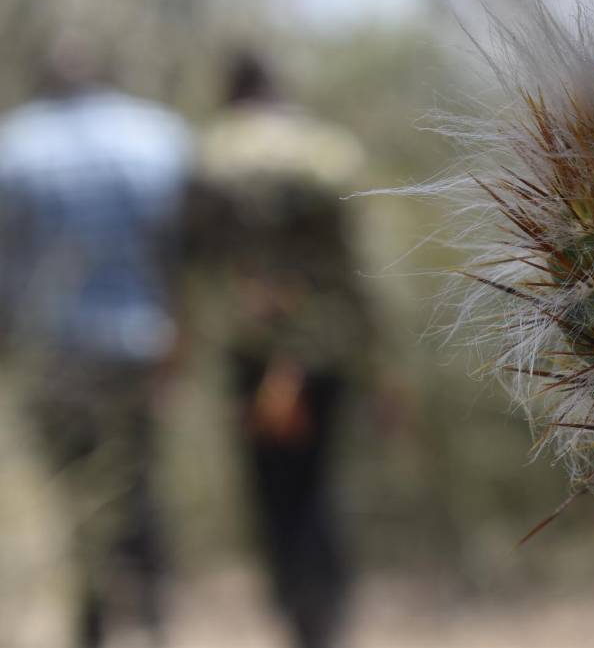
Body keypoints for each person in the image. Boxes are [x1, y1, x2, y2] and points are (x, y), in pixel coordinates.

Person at [0, 33, 192, 648]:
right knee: (138, 479)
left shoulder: (15, 146)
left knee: (73, 487)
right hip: (141, 341)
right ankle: (153, 614)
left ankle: (92, 625)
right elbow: (180, 250)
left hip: (55, 348)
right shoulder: (159, 137)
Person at [187, 50, 373, 648]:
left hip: (251, 352)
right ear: (278, 86)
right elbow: (358, 267)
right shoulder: (328, 152)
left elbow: (195, 264)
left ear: (229, 90)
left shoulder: (208, 155)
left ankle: (297, 610)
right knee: (320, 480)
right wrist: (382, 361)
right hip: (325, 349)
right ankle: (326, 615)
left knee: (272, 488)